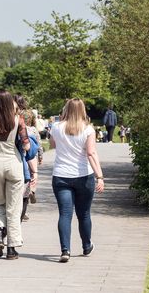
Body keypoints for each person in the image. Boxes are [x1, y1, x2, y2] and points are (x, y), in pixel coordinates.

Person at [50, 98, 105, 263]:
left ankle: (65, 250)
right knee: (84, 214)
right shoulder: (88, 129)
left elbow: (53, 145)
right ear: (83, 110)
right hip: (83, 176)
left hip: (61, 176)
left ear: (66, 109)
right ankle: (87, 245)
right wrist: (100, 177)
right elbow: (91, 153)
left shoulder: (56, 127)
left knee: (65, 214)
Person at [0, 89, 30, 260]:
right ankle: (11, 248)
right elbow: (26, 145)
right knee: (14, 208)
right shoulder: (18, 120)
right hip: (13, 162)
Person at [14, 94, 41, 222]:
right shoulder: (30, 114)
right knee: (32, 175)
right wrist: (40, 155)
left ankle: (19, 206)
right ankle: (31, 192)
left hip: (19, 152)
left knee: (22, 178)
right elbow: (38, 143)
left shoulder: (13, 114)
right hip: (31, 149)